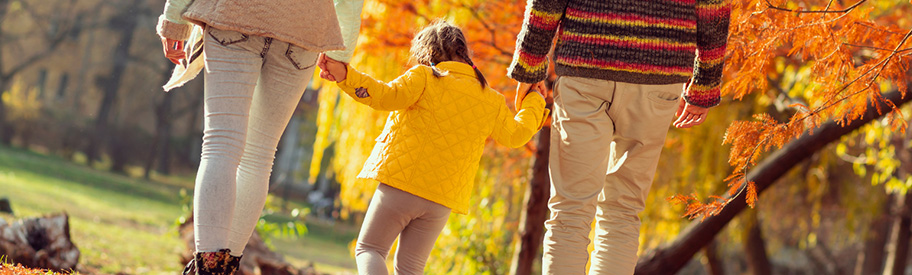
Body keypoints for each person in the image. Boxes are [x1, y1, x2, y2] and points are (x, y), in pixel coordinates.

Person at [507, 0, 731, 274]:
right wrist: (705, 82)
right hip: (659, 70)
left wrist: (529, 65)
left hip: (586, 64)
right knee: (622, 213)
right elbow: (715, 6)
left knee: (570, 212)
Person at [318, 20, 549, 274]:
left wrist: (346, 76)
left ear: (426, 53)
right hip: (441, 200)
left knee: (370, 249)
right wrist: (535, 100)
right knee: (410, 269)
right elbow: (517, 134)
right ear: (465, 52)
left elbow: (383, 96)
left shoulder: (424, 77)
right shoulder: (490, 99)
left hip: (402, 183)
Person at [155, 0, 364, 274]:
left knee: (220, 145)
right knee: (259, 157)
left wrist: (173, 18)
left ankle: (208, 268)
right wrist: (342, 52)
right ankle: (225, 268)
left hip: (236, 12)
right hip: (305, 25)